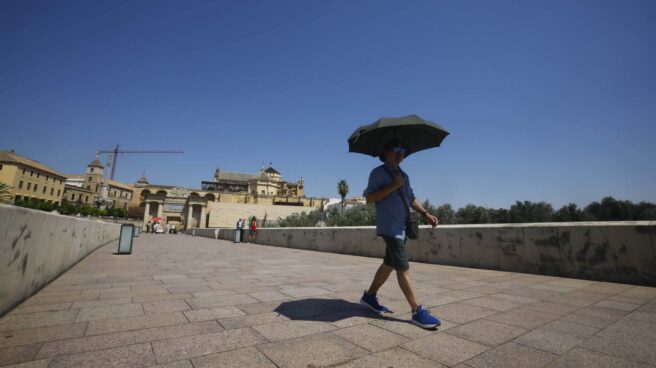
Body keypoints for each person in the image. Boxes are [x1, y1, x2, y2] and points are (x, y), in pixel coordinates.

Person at [360, 138, 441, 329]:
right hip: (389, 227)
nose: (401, 153)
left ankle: (369, 296)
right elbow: (369, 198)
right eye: (397, 149)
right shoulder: (378, 173)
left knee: (389, 263)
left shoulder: (404, 175)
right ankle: (417, 311)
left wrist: (425, 214)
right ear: (386, 152)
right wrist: (393, 185)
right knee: (402, 267)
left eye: (403, 150)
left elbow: (411, 197)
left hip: (403, 226)